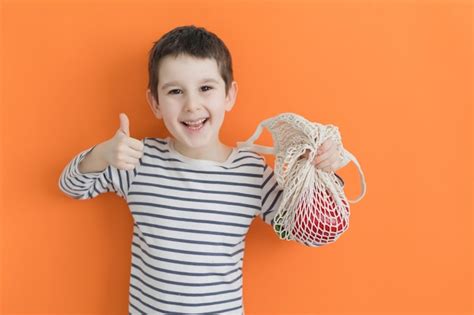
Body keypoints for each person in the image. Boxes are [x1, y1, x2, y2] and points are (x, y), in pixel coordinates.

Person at [58, 25, 347, 314]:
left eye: (206, 88)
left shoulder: (251, 172)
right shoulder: (138, 160)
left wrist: (321, 172)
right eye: (175, 91)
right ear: (155, 103)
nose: (192, 105)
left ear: (229, 95)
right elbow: (70, 187)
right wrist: (102, 154)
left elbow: (311, 232)